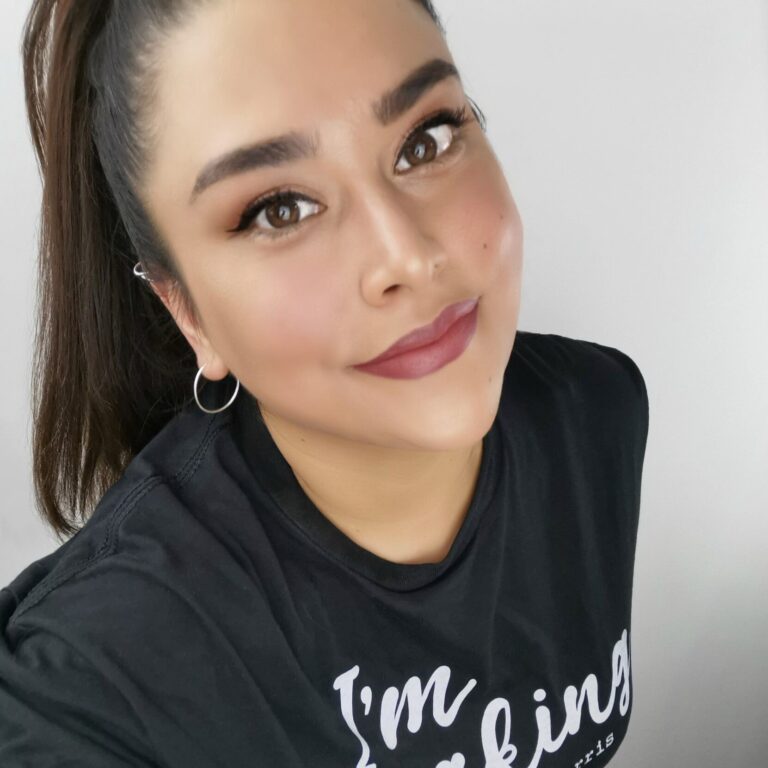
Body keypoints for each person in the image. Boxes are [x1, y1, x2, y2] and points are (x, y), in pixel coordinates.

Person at [0, 0, 649, 765]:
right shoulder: (96, 677)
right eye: (279, 209)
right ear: (188, 314)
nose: (405, 258)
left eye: (426, 139)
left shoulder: (595, 411)